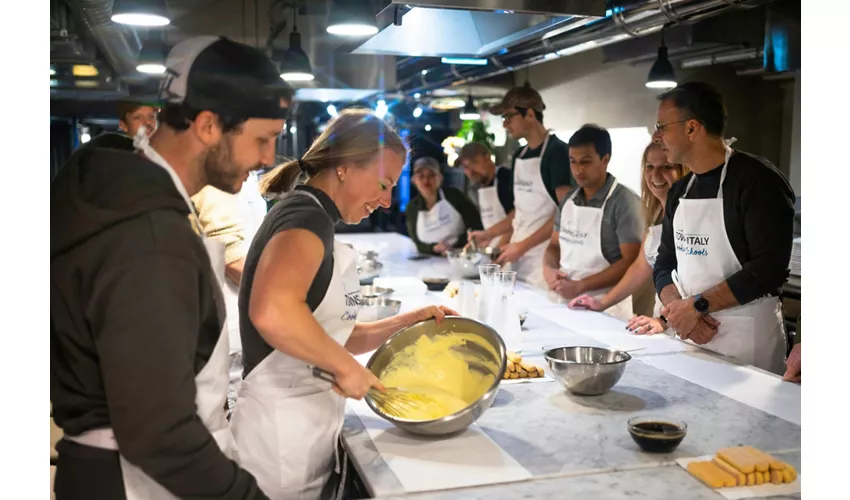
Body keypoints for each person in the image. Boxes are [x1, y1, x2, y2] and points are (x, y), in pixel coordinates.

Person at [51, 36, 290, 499]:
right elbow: (157, 430)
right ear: (206, 125)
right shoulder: (149, 234)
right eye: (262, 139)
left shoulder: (115, 188)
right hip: (129, 479)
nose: (266, 158)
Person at [230, 109, 457, 499]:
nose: (387, 201)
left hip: (304, 431)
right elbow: (273, 312)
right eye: (384, 184)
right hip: (279, 444)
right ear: (345, 168)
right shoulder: (305, 216)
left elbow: (328, 335)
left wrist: (408, 322)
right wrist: (347, 369)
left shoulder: (314, 214)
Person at [652, 81, 795, 375]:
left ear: (692, 128)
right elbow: (664, 262)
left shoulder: (758, 181)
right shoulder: (680, 190)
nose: (658, 136)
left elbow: (768, 269)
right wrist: (679, 311)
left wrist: (697, 307)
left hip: (746, 343)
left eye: (662, 126)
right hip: (691, 337)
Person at [568, 143, 688, 330]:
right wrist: (602, 303)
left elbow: (695, 282)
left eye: (666, 167)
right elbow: (641, 266)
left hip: (687, 319)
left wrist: (663, 321)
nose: (656, 175)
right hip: (667, 317)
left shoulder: (689, 215)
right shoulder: (656, 213)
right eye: (650, 167)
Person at [469, 85, 573, 289]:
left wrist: (523, 247)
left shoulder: (557, 152)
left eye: (509, 116)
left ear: (531, 114)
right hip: (517, 253)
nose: (505, 124)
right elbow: (520, 212)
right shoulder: (519, 155)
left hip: (544, 258)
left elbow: (565, 214)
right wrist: (488, 234)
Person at [541, 125, 643, 321]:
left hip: (606, 308)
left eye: (586, 162)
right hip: (565, 301)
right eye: (573, 162)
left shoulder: (623, 202)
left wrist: (581, 286)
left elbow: (630, 261)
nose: (578, 170)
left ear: (605, 159)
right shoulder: (569, 200)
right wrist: (549, 269)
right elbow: (554, 246)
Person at [406, 156, 483, 255]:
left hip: (461, 255)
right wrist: (434, 248)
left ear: (440, 178)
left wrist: (456, 245)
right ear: (414, 180)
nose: (426, 180)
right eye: (421, 176)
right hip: (428, 261)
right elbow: (418, 243)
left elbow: (476, 225)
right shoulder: (412, 208)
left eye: (431, 175)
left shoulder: (454, 196)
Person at [458, 141, 514, 247]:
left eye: (474, 163)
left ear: (487, 157)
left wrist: (495, 252)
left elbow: (517, 219)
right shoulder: (480, 185)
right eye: (465, 167)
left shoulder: (505, 178)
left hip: (513, 250)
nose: (470, 171)